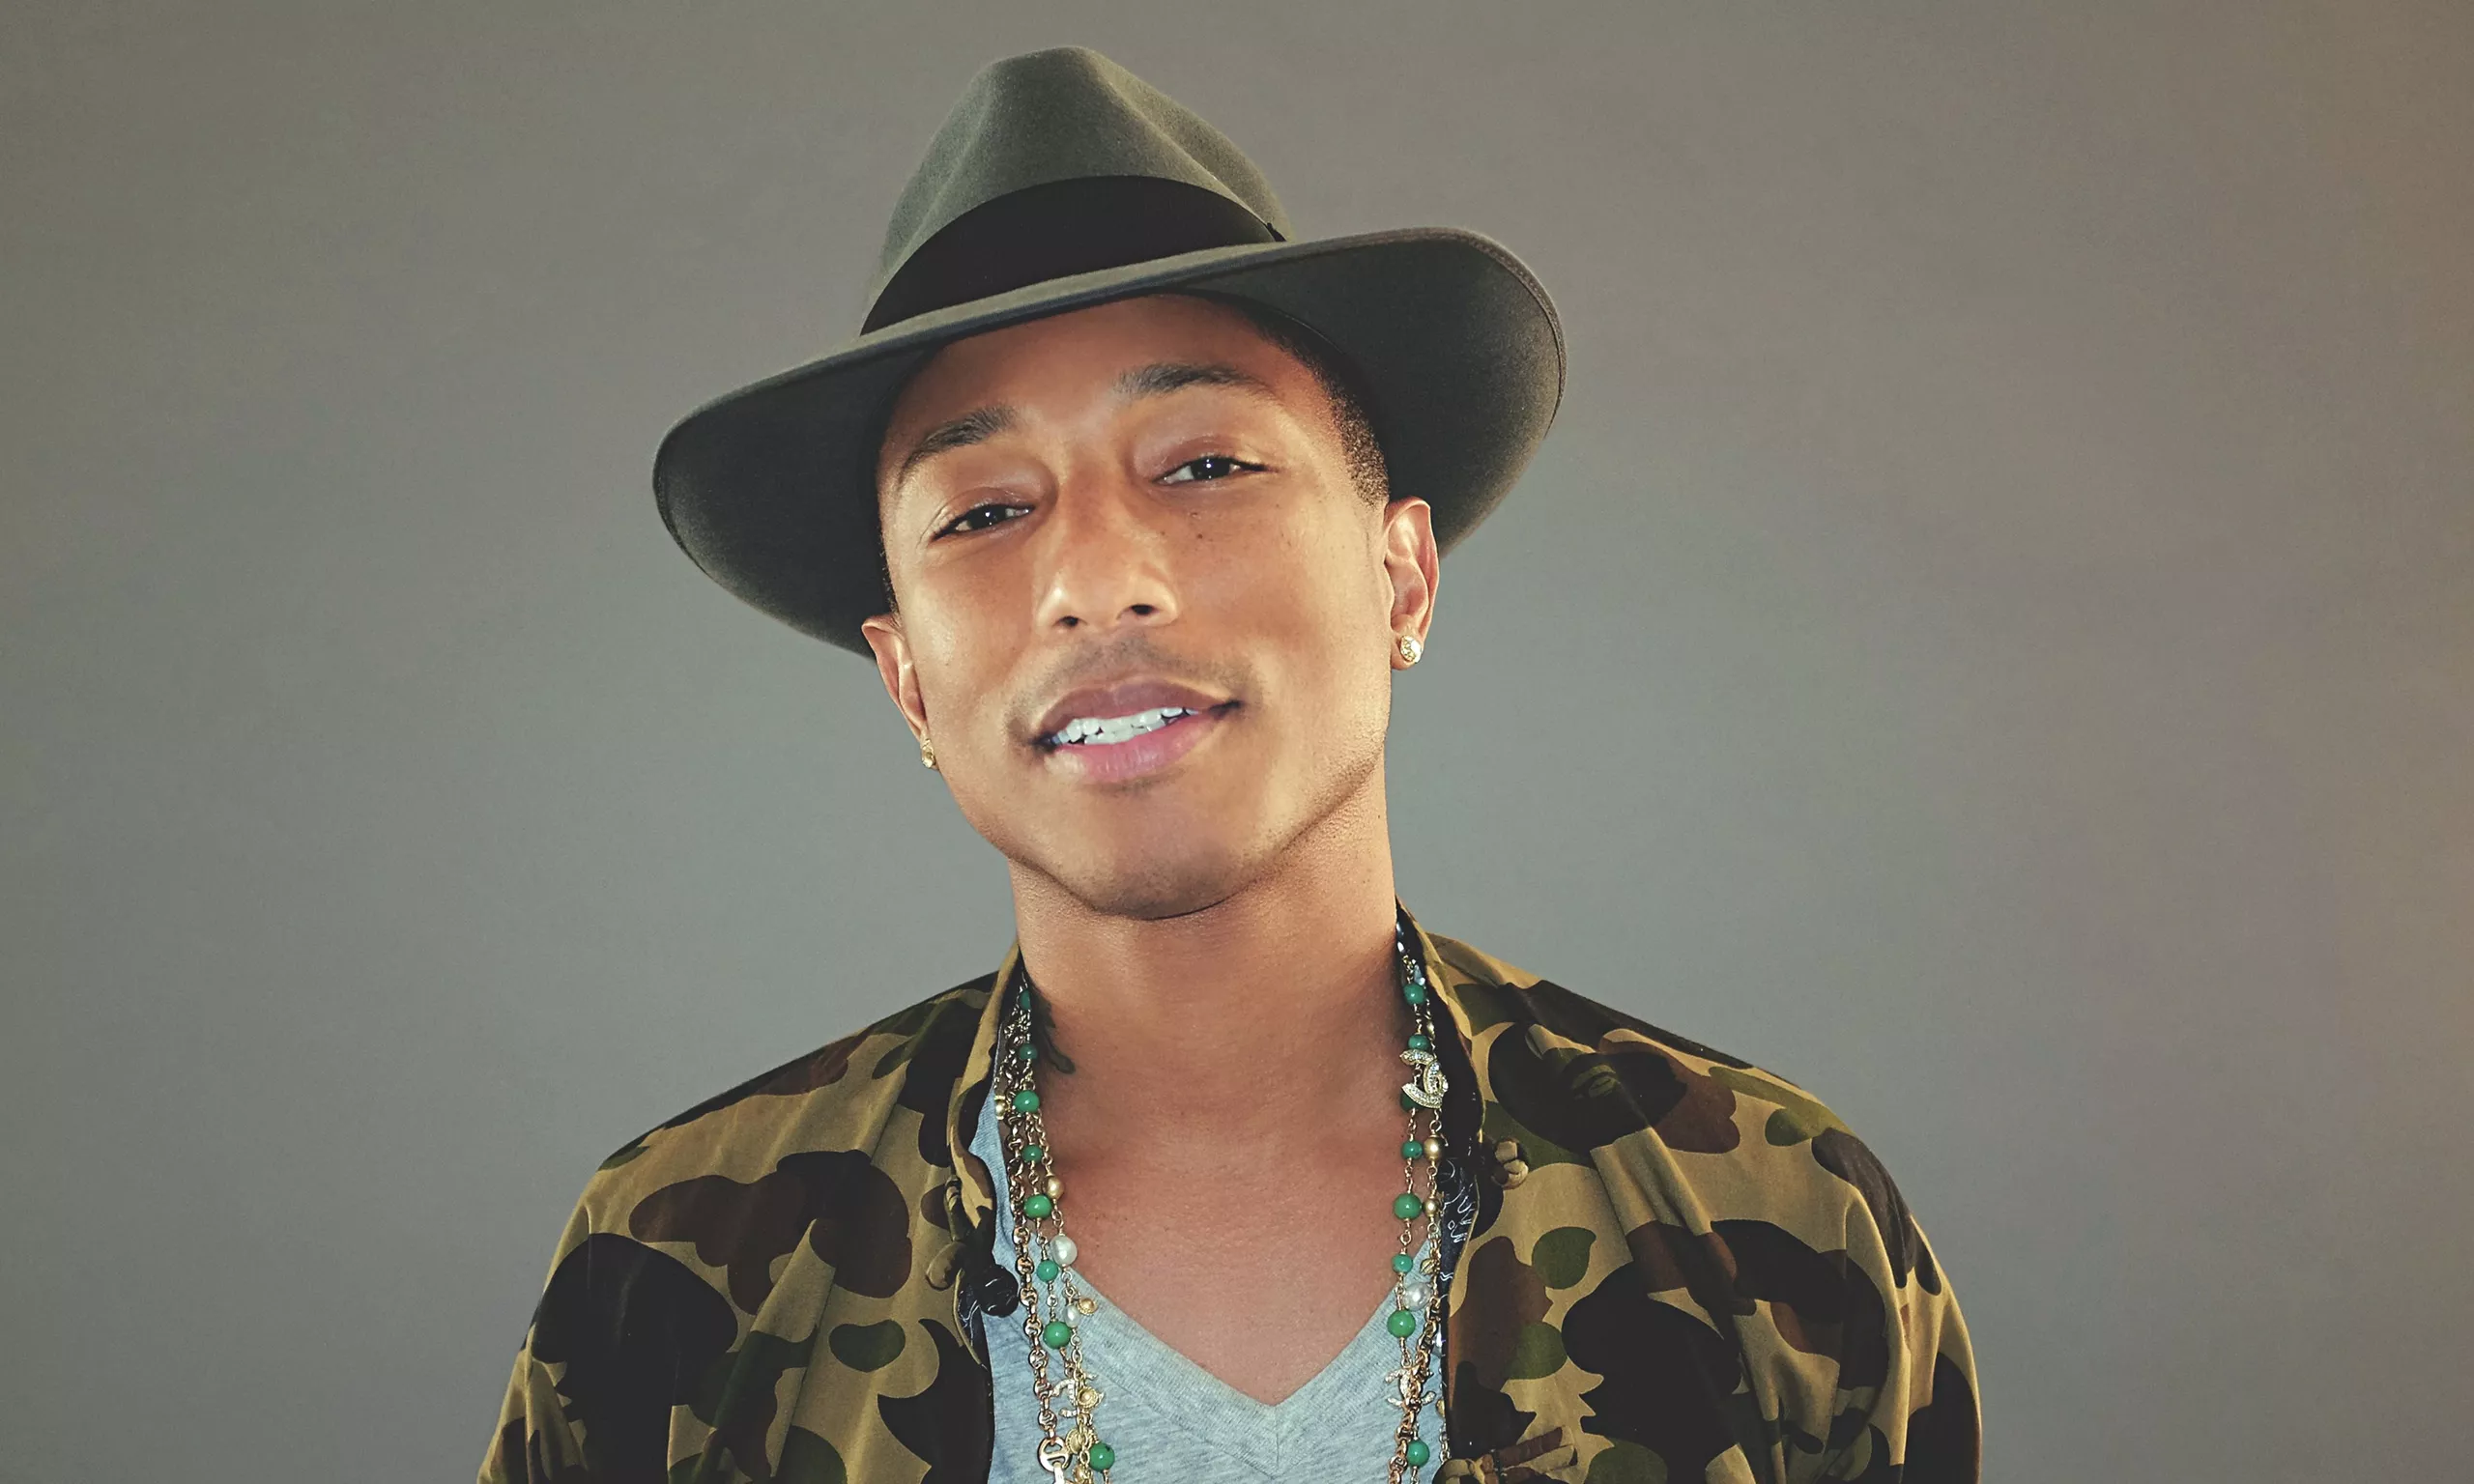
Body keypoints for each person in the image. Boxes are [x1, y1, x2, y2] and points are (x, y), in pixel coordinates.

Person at [481, 45, 1978, 1484]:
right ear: (908, 681)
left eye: (1205, 464)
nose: (1096, 581)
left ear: (1401, 578)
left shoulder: (1767, 1223)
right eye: (983, 512)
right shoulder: (683, 1270)